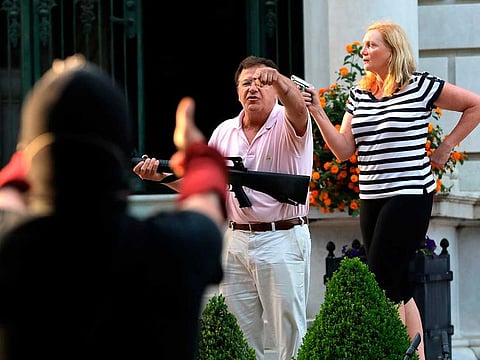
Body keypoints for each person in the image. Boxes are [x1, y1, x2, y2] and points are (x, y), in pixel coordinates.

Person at [0, 54, 228, 360]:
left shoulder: (9, 244)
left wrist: (28, 154)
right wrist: (198, 155)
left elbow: (8, 190)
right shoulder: (170, 249)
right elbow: (208, 199)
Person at [303, 20, 480, 360]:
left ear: (392, 50)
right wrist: (318, 111)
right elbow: (342, 150)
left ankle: (394, 352)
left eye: (372, 45)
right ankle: (416, 356)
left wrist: (446, 146)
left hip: (410, 193)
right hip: (372, 196)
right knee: (396, 282)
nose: (364, 50)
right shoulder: (359, 93)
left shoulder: (420, 85)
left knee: (380, 278)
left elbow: (473, 105)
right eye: (365, 45)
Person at [134, 55, 313, 360]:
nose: (253, 88)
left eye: (261, 82)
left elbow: (298, 107)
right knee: (238, 336)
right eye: (246, 83)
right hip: (236, 240)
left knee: (289, 336)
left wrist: (281, 80)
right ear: (237, 92)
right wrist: (162, 177)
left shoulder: (288, 121)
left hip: (282, 237)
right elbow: (205, 185)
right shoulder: (224, 131)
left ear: (274, 89)